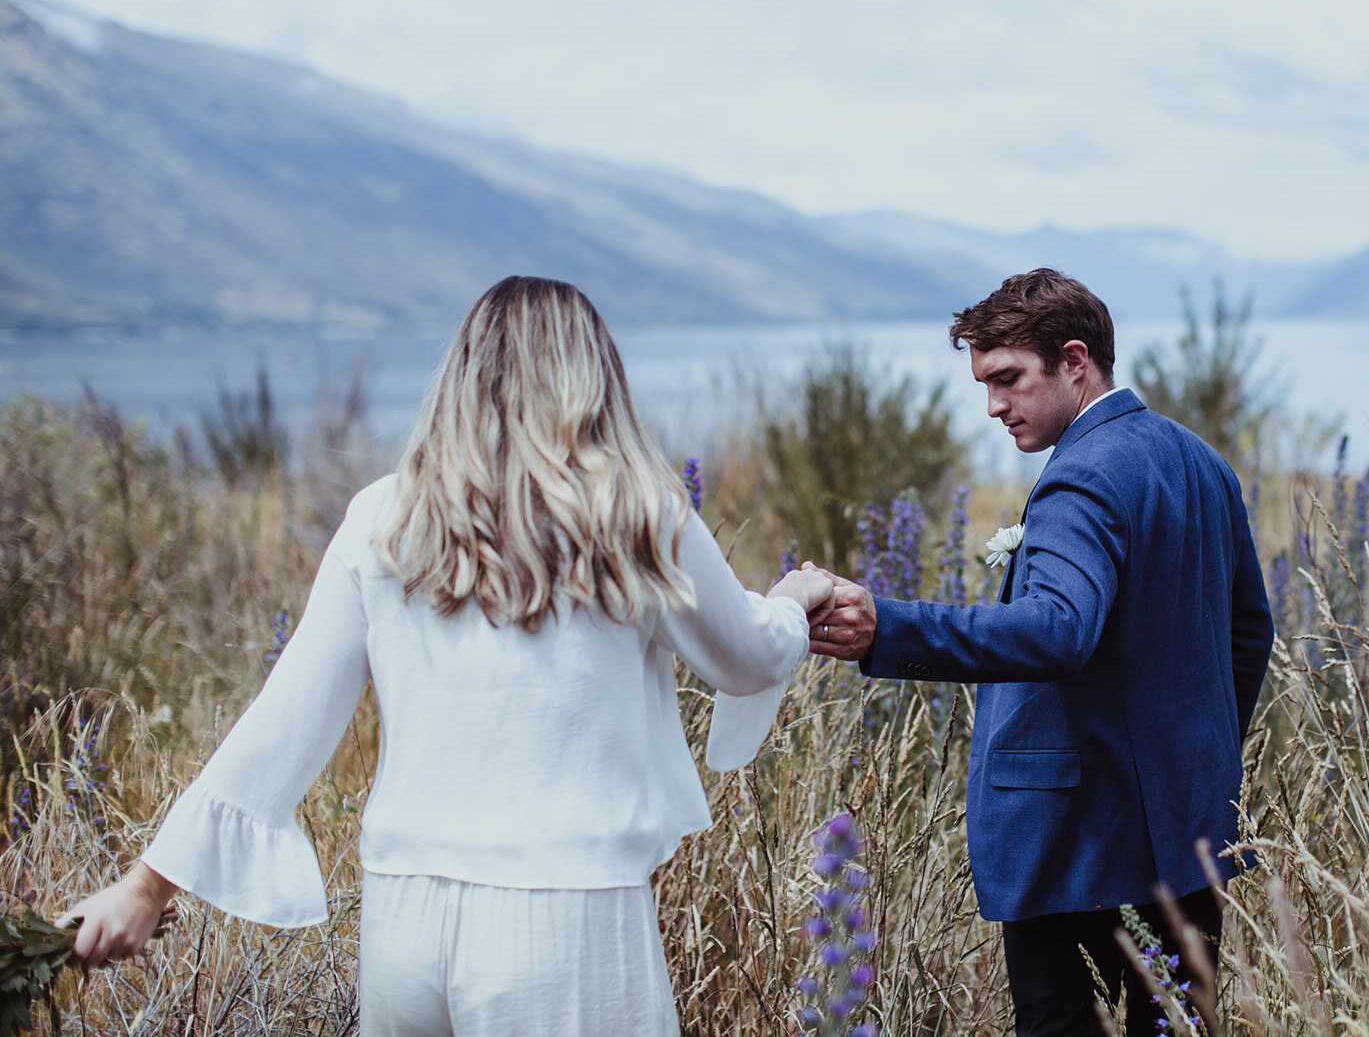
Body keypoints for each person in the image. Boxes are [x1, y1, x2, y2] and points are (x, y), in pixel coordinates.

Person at [60, 276, 834, 1035]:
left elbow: (283, 719)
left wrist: (143, 887)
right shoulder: (638, 511)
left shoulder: (382, 517)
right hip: (567, 916)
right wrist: (793, 601)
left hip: (404, 920)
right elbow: (747, 659)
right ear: (595, 380)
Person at [805, 268, 1273, 1035]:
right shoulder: (1200, 461)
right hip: (1189, 839)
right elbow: (1251, 630)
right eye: (985, 383)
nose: (993, 405)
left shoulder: (1080, 480)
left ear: (1076, 361)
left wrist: (886, 626)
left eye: (1008, 379)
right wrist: (1196, 753)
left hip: (1074, 848)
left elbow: (1057, 628)